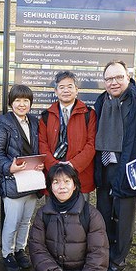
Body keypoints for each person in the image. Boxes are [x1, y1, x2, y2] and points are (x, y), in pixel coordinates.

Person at [94, 61, 136, 271]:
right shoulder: (101, 100)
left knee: (124, 219)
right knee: (104, 215)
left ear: (128, 77)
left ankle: (118, 260)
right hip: (105, 168)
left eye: (118, 77)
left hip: (129, 169)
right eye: (109, 78)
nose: (113, 82)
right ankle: (105, 254)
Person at [28, 163, 109, 271]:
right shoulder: (43, 213)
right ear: (50, 186)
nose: (61, 186)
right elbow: (37, 248)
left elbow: (98, 258)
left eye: (66, 181)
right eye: (56, 182)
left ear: (75, 184)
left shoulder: (91, 215)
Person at [0, 84, 43, 271]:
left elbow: (39, 149)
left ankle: (20, 249)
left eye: (26, 101)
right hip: (13, 182)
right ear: (11, 103)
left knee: (26, 221)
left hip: (32, 181)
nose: (22, 104)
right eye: (18, 100)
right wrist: (8, 167)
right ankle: (7, 253)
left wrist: (41, 164)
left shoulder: (35, 122)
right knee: (12, 221)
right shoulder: (3, 122)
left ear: (30, 103)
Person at [38, 71, 96, 200]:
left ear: (76, 90)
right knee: (52, 215)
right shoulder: (46, 116)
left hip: (79, 175)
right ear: (56, 91)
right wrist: (55, 167)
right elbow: (42, 144)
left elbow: (91, 144)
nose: (66, 90)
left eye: (70, 86)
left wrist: (73, 165)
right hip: (53, 176)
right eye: (62, 87)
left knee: (79, 216)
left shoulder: (89, 114)